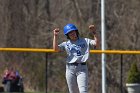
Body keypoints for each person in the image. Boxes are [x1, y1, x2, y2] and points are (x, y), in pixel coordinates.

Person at [53, 23, 98, 93]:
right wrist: (55, 36)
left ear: (76, 31)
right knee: (73, 91)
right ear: (67, 35)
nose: (72, 34)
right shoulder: (66, 44)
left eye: (73, 32)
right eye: (69, 33)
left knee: (83, 91)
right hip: (70, 69)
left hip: (82, 68)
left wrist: (94, 33)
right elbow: (55, 49)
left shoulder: (85, 40)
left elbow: (96, 44)